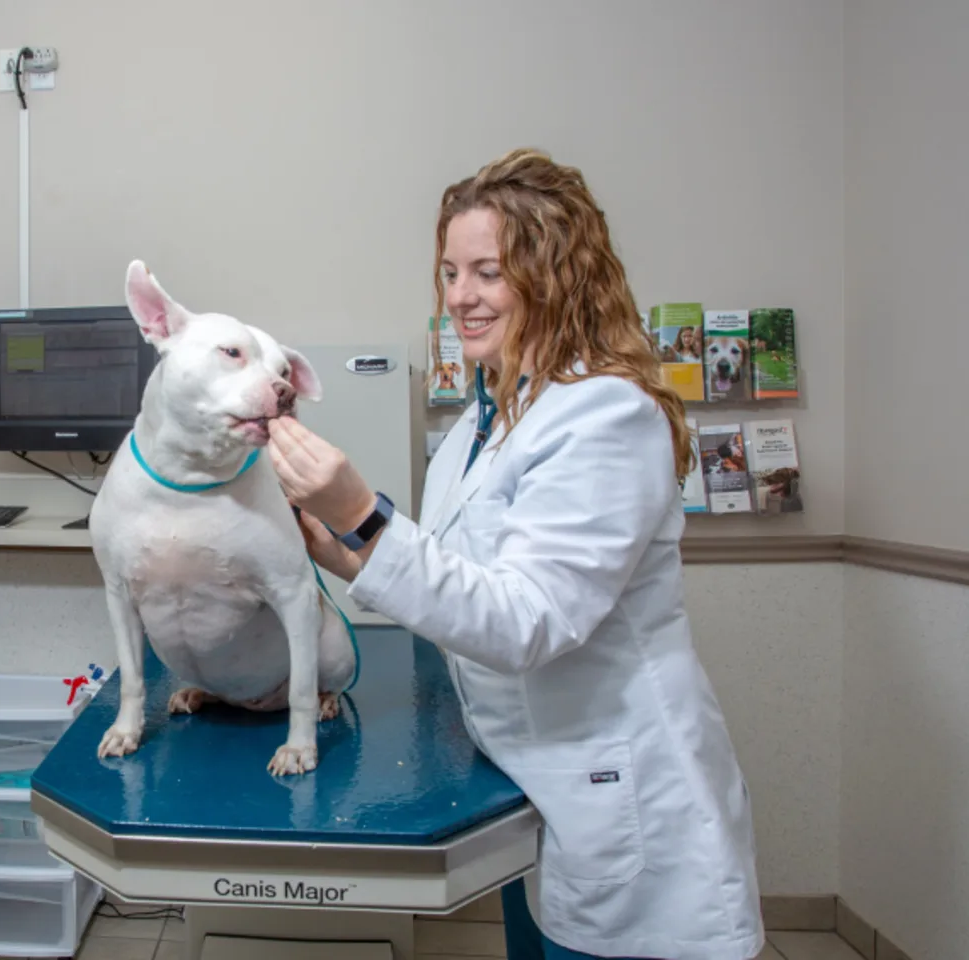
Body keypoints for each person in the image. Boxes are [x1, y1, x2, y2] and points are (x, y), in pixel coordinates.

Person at [266, 149, 764, 960]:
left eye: (489, 272)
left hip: (625, 807)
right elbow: (467, 578)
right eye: (451, 272)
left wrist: (361, 507)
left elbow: (527, 618)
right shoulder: (485, 419)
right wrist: (344, 549)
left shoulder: (605, 415)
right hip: (533, 793)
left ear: (555, 275)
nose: (461, 295)